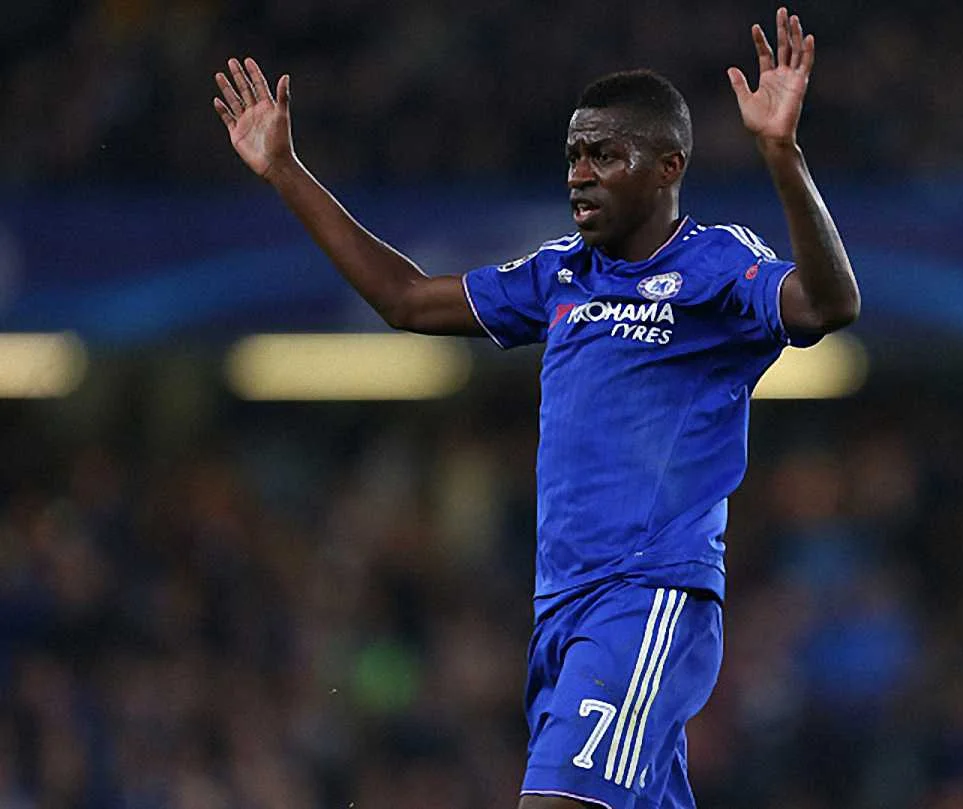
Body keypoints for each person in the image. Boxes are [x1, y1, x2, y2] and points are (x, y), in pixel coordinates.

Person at [213, 7, 858, 808]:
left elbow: (828, 305)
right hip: (562, 611)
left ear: (668, 166)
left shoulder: (717, 264)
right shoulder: (560, 275)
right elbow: (406, 299)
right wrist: (284, 170)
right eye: (574, 155)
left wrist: (782, 154)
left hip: (647, 598)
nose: (579, 173)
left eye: (604, 155)